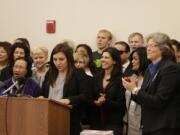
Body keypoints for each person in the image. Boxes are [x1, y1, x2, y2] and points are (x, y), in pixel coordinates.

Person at [122, 32, 180, 135]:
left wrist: (135, 90)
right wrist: (131, 88)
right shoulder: (149, 69)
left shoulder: (170, 68)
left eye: (151, 46)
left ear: (163, 48)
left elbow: (159, 101)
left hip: (164, 126)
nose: (148, 49)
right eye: (147, 46)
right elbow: (145, 98)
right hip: (149, 125)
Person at [41, 42, 90, 135]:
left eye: (61, 59)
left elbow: (86, 95)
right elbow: (44, 93)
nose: (58, 63)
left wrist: (68, 100)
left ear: (69, 59)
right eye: (55, 59)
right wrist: (41, 97)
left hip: (69, 119)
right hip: (48, 116)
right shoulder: (50, 73)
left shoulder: (78, 73)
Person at [91, 47, 126, 135]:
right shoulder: (96, 77)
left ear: (114, 61)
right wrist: (94, 102)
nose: (102, 60)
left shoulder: (121, 79)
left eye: (106, 57)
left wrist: (106, 101)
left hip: (113, 123)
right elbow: (90, 96)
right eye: (102, 57)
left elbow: (121, 105)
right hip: (96, 121)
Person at [122, 47, 150, 135]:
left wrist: (134, 89)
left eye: (135, 59)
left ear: (144, 59)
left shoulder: (149, 79)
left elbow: (147, 100)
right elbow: (128, 102)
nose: (132, 62)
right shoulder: (133, 77)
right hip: (131, 123)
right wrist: (125, 122)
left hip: (144, 124)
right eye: (132, 59)